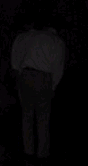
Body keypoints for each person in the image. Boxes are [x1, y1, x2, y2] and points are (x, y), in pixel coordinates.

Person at [11, 24, 65, 159]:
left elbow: (15, 58)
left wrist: (18, 74)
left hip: (26, 75)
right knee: (43, 118)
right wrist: (53, 86)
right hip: (43, 78)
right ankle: (42, 154)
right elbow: (58, 66)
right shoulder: (56, 41)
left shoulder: (28, 36)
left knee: (27, 115)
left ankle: (28, 151)